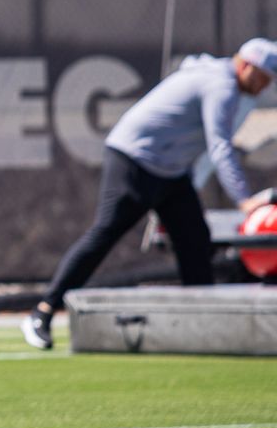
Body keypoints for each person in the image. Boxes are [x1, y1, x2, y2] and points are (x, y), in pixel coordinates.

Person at [22, 38, 277, 350]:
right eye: (263, 77)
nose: (264, 86)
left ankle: (206, 328)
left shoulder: (227, 86)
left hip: (172, 173)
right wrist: (245, 200)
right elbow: (219, 146)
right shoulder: (220, 86)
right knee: (105, 234)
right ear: (246, 65)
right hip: (134, 160)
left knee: (195, 242)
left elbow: (200, 150)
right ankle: (43, 311)